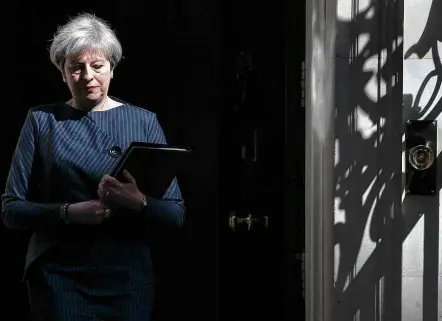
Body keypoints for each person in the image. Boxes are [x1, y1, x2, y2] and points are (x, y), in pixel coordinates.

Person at [1, 12, 185, 321]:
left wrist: (136, 201)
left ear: (112, 68)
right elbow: (11, 209)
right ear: (62, 73)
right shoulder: (41, 121)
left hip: (127, 278)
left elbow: (175, 214)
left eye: (97, 66)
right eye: (76, 68)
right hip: (58, 277)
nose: (88, 76)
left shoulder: (143, 121)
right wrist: (69, 213)